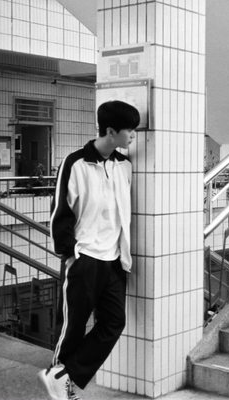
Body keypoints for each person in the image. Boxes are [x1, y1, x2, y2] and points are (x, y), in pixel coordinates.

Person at [38, 100, 140, 400]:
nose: (133, 135)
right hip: (84, 259)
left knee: (114, 323)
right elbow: (60, 212)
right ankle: (62, 383)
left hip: (114, 261)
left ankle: (59, 376)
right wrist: (69, 252)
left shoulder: (124, 166)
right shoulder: (75, 163)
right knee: (72, 327)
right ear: (111, 131)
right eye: (129, 130)